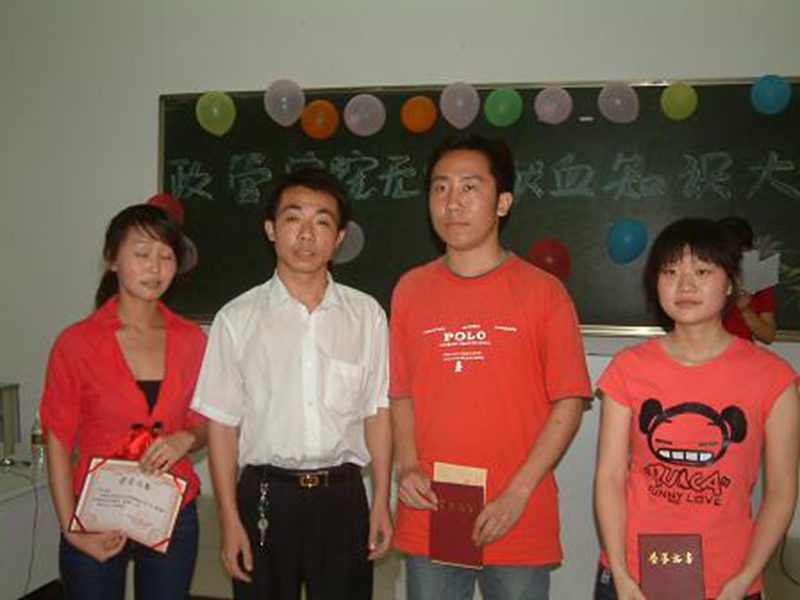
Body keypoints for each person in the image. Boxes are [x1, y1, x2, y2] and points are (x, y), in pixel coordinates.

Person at [389, 134, 591, 599]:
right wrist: (408, 464)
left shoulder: (543, 292)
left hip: (516, 510)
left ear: (502, 202)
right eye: (440, 187)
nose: (452, 202)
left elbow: (569, 401)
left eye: (469, 187)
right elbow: (401, 391)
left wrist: (518, 493)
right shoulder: (411, 290)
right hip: (434, 506)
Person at [191, 168, 392, 600]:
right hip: (265, 495)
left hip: (343, 498)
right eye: (293, 218)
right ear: (271, 229)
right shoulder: (237, 319)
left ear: (339, 238)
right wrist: (229, 520)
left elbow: (377, 413)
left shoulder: (367, 316)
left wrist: (380, 500)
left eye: (322, 221)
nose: (306, 234)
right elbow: (222, 427)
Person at [593, 218, 799, 600]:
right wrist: (619, 571)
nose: (685, 285)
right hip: (633, 576)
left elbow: (782, 490)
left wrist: (744, 579)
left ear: (730, 283)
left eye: (702, 271)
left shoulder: (773, 378)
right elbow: (609, 476)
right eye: (670, 272)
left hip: (728, 581)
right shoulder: (628, 368)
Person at [40, 204, 208, 600]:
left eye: (166, 256)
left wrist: (187, 438)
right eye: (142, 253)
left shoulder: (192, 340)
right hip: (96, 511)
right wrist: (71, 526)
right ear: (112, 259)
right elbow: (58, 440)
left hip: (171, 510)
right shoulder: (76, 343)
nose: (155, 267)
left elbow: (206, 424)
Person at [717, 216, 777, 344]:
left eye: (741, 251)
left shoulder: (757, 277)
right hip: (704, 351)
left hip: (742, 352)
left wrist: (745, 309)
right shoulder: (702, 277)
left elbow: (769, 336)